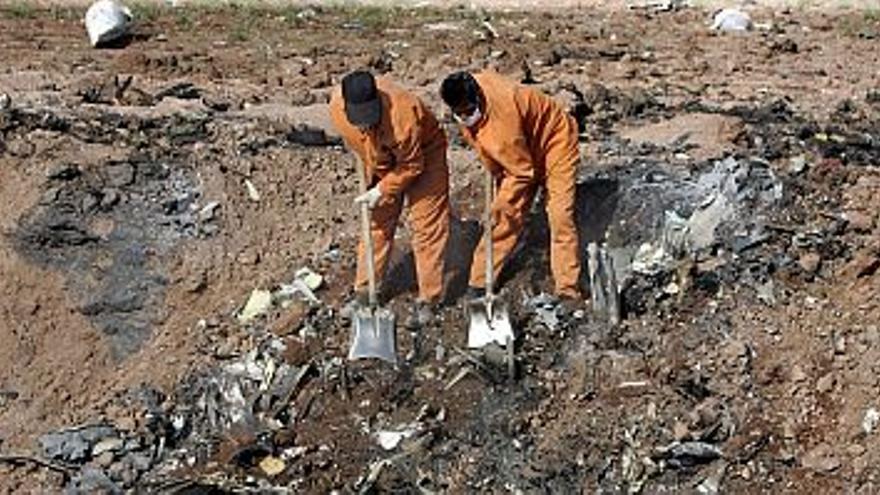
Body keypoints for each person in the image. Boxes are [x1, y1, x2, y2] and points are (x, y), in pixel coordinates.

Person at [440, 69, 581, 301]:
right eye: (459, 113)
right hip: (518, 150)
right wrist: (498, 183)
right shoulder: (467, 100)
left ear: (478, 98)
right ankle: (479, 282)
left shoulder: (502, 117)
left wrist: (502, 202)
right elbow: (491, 151)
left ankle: (567, 288)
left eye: (469, 111)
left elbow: (522, 172)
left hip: (553, 143)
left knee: (559, 215)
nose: (465, 117)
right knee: (503, 220)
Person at [330, 70, 450, 327]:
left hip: (423, 155)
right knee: (376, 225)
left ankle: (429, 299)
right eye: (359, 120)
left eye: (369, 119)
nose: (364, 124)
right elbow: (359, 145)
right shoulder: (337, 109)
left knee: (426, 226)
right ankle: (365, 294)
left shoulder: (403, 116)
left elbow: (412, 166)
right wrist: (373, 177)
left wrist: (382, 190)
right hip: (381, 159)